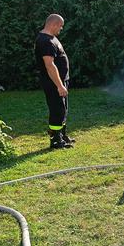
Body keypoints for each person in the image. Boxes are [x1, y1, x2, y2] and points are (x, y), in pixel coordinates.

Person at [34, 14, 75, 149]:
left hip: (61, 82)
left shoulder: (51, 38)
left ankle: (62, 135)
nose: (61, 29)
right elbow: (49, 65)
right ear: (54, 24)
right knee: (57, 109)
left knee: (63, 109)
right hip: (54, 83)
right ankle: (56, 140)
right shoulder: (46, 41)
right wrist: (59, 85)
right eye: (60, 27)